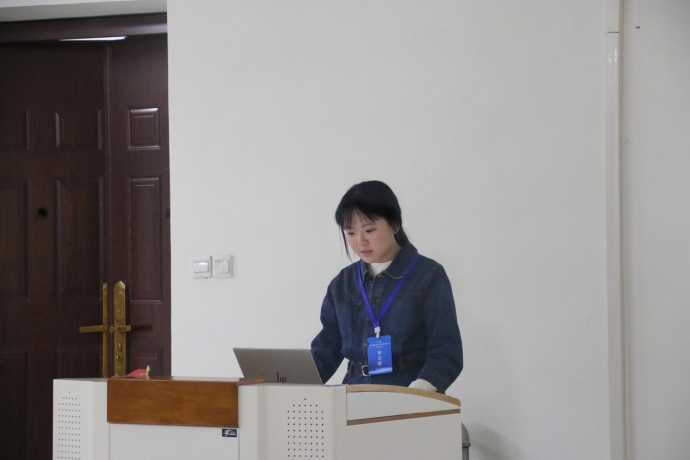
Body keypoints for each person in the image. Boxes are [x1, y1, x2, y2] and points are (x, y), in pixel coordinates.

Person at [310, 180, 463, 394]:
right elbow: (327, 349)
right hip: (353, 397)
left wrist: (419, 391)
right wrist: (284, 383)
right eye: (350, 233)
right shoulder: (342, 283)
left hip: (409, 396)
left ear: (395, 224)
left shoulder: (428, 275)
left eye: (369, 230)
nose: (360, 241)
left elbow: (446, 350)